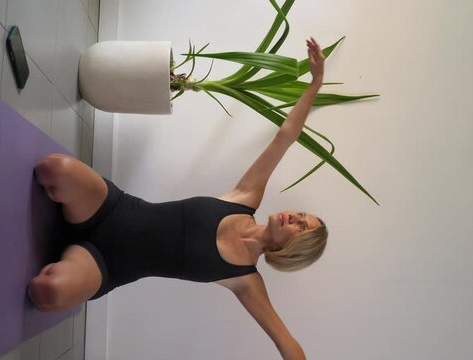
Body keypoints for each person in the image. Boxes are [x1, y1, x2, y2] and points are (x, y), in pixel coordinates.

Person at [28, 38, 327, 360]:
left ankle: (67, 258)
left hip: (104, 264)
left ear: (292, 250)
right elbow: (285, 137)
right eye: (301, 213)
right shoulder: (245, 198)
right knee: (54, 169)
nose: (293, 216)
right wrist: (315, 83)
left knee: (49, 292)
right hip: (109, 209)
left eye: (301, 226)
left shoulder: (245, 281)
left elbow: (287, 344)